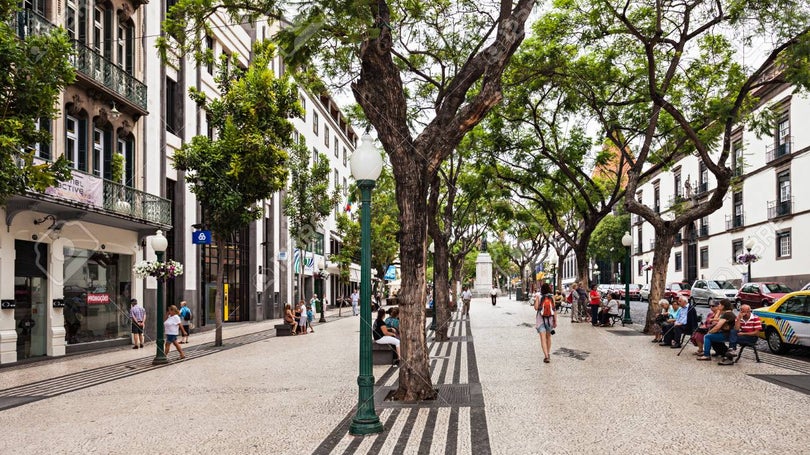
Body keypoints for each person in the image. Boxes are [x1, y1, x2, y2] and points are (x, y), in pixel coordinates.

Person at [534, 283, 557, 363]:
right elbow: (554, 310)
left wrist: (536, 299)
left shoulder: (539, 296)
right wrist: (555, 320)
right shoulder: (552, 296)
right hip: (550, 319)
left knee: (543, 339)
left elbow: (536, 308)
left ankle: (546, 356)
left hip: (540, 320)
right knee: (549, 337)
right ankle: (548, 353)